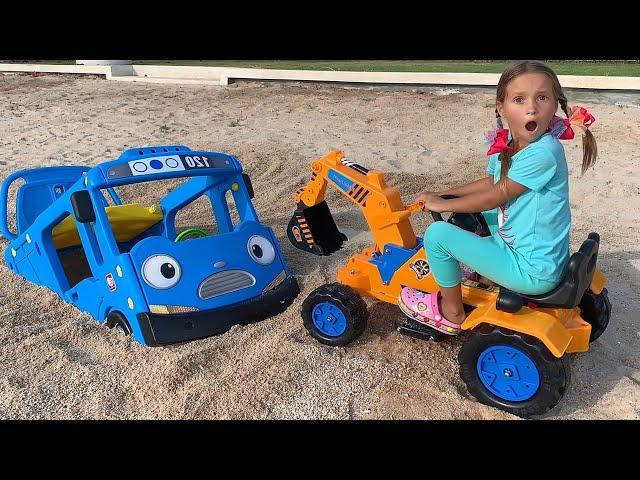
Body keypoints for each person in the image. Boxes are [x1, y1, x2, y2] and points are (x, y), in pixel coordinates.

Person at [400, 60, 598, 336]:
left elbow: (494, 196)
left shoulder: (544, 152)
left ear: (555, 105)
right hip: (527, 253)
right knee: (485, 218)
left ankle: (451, 311)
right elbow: (492, 184)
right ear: (501, 107)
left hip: (531, 270)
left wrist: (443, 206)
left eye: (542, 97)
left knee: (436, 235)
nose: (531, 107)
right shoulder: (507, 146)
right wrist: (445, 193)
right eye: (519, 99)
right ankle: (484, 276)